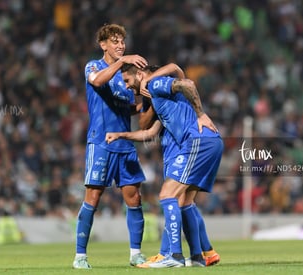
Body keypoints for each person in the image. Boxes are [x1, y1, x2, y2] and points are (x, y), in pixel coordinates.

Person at [106, 63, 224, 268]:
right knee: (185, 201)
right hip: (207, 141)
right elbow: (148, 133)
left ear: (141, 74)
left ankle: (173, 256)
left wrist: (200, 114)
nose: (126, 86)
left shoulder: (154, 84)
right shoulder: (162, 102)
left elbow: (187, 82)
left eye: (127, 81)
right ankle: (198, 257)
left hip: (198, 141)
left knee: (168, 195)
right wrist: (120, 135)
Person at [72, 23, 149, 269]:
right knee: (93, 197)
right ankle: (80, 256)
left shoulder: (123, 78)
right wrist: (122, 60)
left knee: (134, 197)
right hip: (100, 142)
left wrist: (150, 102)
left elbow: (128, 109)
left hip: (124, 142)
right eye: (115, 41)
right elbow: (96, 82)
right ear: (103, 45)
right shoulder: (94, 66)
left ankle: (136, 254)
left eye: (122, 41)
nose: (120, 45)